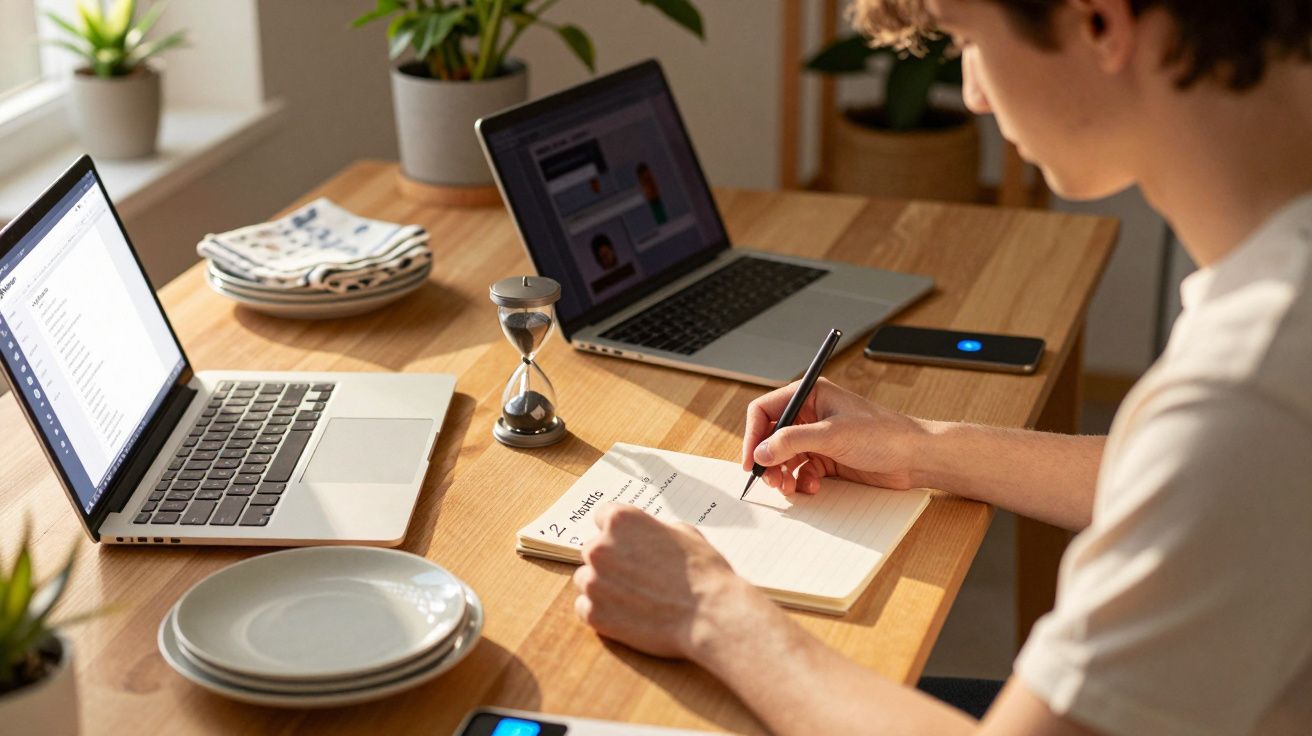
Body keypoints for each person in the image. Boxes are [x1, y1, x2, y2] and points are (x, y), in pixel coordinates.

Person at [570, 1, 1312, 734]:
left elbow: (1218, 450)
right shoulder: (1272, 315)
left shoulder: (1251, 381)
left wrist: (710, 610)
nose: (973, 94)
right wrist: (920, 447)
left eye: (968, 40)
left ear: (1099, 23)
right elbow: (1194, 481)